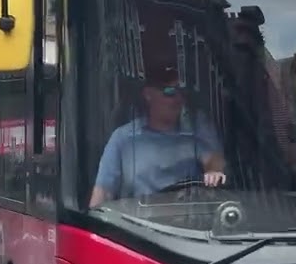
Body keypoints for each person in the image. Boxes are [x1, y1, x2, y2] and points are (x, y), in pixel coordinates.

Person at [90, 67, 226, 207]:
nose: (177, 99)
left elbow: (213, 160)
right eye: (169, 92)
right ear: (148, 94)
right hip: (134, 223)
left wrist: (213, 172)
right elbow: (104, 190)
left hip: (186, 218)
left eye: (181, 92)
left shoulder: (193, 132)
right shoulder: (123, 138)